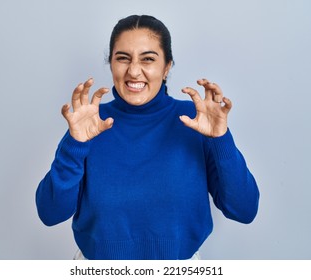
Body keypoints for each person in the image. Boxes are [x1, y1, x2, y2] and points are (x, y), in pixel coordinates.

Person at [36, 15, 259, 260]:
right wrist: (75, 144)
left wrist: (221, 139)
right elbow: (50, 212)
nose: (133, 71)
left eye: (148, 59)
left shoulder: (196, 121)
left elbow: (244, 210)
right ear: (111, 64)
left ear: (167, 67)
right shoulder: (90, 123)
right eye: (122, 58)